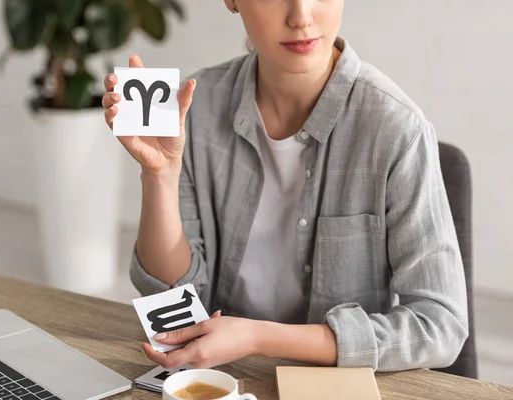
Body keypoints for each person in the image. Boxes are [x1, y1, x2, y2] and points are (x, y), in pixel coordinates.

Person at [101, 0, 469, 372]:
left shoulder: (395, 129)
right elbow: (172, 302)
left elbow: (440, 324)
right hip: (220, 377)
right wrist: (159, 177)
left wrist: (257, 338)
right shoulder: (196, 106)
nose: (301, 17)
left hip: (331, 385)